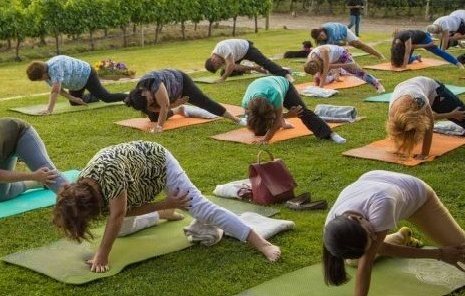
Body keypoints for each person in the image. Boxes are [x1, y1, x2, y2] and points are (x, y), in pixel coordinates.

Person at [52, 140, 281, 272]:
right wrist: (163, 204)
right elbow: (120, 213)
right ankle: (162, 212)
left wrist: (102, 254)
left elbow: (118, 213)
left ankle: (260, 243)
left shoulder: (108, 177)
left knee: (200, 208)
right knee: (119, 229)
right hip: (136, 178)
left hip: (159, 163)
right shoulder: (86, 184)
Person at [322, 170, 465, 296]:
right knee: (354, 260)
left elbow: (367, 261)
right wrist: (439, 254)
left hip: (416, 196)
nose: (374, 236)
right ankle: (401, 237)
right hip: (376, 184)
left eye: (372, 235)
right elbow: (375, 250)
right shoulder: (333, 226)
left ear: (356, 219)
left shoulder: (381, 205)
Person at [386, 76, 465, 157]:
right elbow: (398, 130)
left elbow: (429, 125)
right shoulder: (393, 112)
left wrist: (424, 154)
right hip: (409, 87)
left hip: (436, 92)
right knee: (406, 130)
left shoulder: (419, 100)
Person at [123, 69, 243, 133]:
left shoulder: (154, 84)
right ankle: (180, 110)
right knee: (154, 117)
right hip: (171, 98)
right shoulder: (139, 95)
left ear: (144, 92)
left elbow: (164, 106)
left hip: (181, 82)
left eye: (149, 99)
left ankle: (236, 119)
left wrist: (159, 127)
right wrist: (178, 105)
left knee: (203, 101)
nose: (151, 101)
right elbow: (155, 107)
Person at [242, 75, 346, 145]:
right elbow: (252, 120)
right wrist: (288, 115)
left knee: (301, 111)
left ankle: (330, 134)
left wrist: (266, 139)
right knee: (259, 131)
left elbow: (277, 117)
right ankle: (284, 124)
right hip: (260, 86)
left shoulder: (275, 95)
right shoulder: (246, 103)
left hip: (283, 85)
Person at [26, 55, 126, 115]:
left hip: (88, 75)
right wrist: (73, 98)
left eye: (39, 79)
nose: (40, 81)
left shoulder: (54, 68)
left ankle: (130, 96)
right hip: (76, 83)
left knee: (107, 98)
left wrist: (49, 110)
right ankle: (95, 95)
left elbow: (55, 91)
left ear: (43, 72)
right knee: (75, 103)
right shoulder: (46, 73)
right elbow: (59, 89)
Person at [303, 44, 385, 93]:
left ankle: (378, 85)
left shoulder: (323, 52)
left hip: (342, 55)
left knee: (359, 73)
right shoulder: (310, 58)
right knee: (318, 78)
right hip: (333, 59)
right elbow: (326, 68)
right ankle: (333, 77)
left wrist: (320, 89)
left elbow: (326, 69)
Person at [204, 38, 293, 83]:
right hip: (237, 56)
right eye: (219, 66)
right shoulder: (218, 59)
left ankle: (285, 73)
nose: (220, 65)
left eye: (218, 65)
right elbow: (235, 67)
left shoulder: (221, 48)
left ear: (213, 59)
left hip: (246, 48)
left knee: (264, 62)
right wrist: (254, 68)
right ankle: (259, 70)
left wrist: (223, 78)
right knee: (228, 72)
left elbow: (231, 65)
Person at [390, 29, 464, 69]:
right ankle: (416, 57)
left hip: (422, 38)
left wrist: (404, 67)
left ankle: (458, 63)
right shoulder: (395, 42)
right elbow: (395, 53)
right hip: (412, 42)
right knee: (405, 61)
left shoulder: (406, 36)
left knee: (438, 51)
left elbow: (408, 52)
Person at [311, 23, 384, 60]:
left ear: (322, 31)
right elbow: (321, 50)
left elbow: (337, 43)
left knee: (359, 44)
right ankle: (346, 55)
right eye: (320, 38)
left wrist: (348, 43)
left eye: (321, 35)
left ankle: (379, 55)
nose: (322, 37)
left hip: (344, 31)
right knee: (327, 50)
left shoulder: (330, 30)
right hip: (336, 40)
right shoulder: (321, 40)